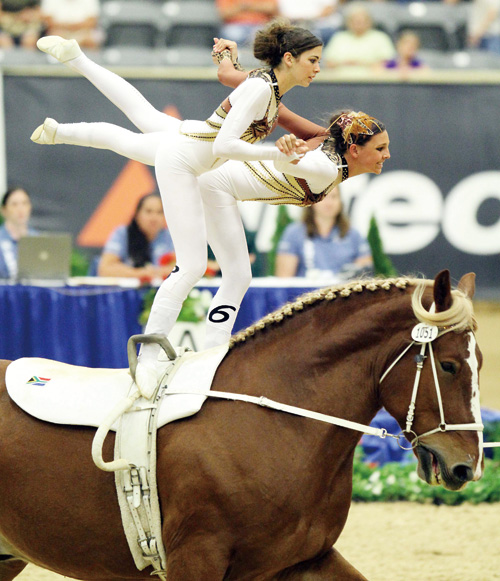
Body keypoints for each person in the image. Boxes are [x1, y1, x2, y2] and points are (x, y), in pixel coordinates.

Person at [30, 21, 323, 397]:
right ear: (288, 58)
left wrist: (226, 58)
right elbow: (224, 147)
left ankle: (76, 63)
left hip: (187, 138)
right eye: (313, 60)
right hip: (184, 159)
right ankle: (150, 357)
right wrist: (276, 154)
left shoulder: (267, 86)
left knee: (137, 116)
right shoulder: (260, 88)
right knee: (192, 266)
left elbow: (229, 98)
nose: (317, 68)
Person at [274, 186, 372, 279]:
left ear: (340, 201)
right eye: (323, 197)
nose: (328, 203)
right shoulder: (294, 233)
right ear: (311, 201)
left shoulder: (354, 235)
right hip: (306, 295)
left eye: (334, 197)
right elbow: (284, 281)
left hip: (343, 295)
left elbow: (365, 277)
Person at [97, 192, 176, 281]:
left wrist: (159, 272)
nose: (154, 217)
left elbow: (184, 268)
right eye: (148, 211)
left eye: (159, 212)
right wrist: (141, 274)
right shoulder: (123, 234)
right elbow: (105, 269)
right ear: (137, 214)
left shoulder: (171, 237)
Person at [323, 3, 395, 74]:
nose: (358, 24)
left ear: (369, 21)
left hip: (372, 81)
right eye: (355, 21)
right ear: (348, 22)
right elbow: (328, 62)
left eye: (361, 21)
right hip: (340, 81)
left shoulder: (380, 37)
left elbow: (388, 62)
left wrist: (362, 63)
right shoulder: (339, 37)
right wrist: (346, 63)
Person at [0, 186, 38, 279]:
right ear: (3, 210)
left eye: (24, 203)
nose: (20, 209)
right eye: (14, 204)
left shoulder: (38, 239)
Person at [277, 0, 342, 44]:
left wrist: (306, 18)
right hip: (293, 24)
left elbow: (328, 9)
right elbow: (279, 13)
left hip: (320, 25)